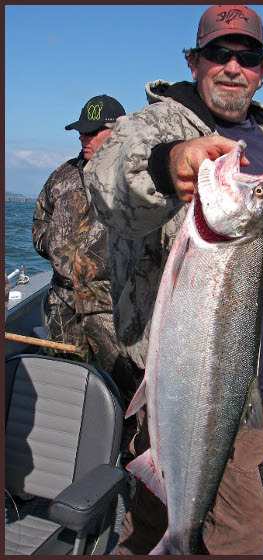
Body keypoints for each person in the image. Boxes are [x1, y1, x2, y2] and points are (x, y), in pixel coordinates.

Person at [84, 6, 263, 555]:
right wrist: (170, 164)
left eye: (248, 56)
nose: (233, 66)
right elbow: (108, 180)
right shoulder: (158, 123)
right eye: (219, 53)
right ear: (194, 60)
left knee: (152, 520)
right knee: (242, 534)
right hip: (197, 382)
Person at [32, 95, 137, 456]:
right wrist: (58, 250)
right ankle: (60, 461)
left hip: (113, 305)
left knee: (126, 391)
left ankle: (128, 467)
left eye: (94, 132)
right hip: (62, 301)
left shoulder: (134, 179)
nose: (85, 139)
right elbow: (39, 222)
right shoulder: (63, 175)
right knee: (63, 387)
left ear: (117, 131)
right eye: (81, 132)